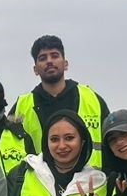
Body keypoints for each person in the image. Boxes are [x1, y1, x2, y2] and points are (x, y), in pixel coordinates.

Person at [11, 35, 109, 167]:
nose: (49, 61)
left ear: (65, 64)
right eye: (43, 58)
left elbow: (111, 142)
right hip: (41, 183)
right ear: (35, 69)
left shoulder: (92, 99)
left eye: (55, 56)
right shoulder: (22, 106)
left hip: (89, 183)